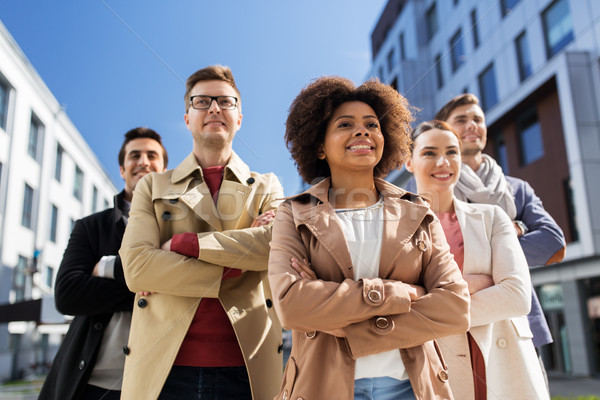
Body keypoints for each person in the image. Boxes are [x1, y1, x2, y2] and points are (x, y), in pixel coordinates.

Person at [268, 77, 470, 400]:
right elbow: (292, 305)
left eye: (372, 124)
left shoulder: (418, 211)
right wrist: (406, 293)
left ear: (384, 137)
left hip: (410, 388)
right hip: (323, 389)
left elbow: (456, 307)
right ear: (319, 146)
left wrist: (337, 317)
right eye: (345, 124)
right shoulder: (292, 214)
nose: (362, 131)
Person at [119, 65, 284, 400]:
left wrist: (185, 244)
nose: (213, 108)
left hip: (247, 367)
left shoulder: (266, 185)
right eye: (202, 101)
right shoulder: (152, 185)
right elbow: (137, 267)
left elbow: (273, 247)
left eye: (225, 102)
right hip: (164, 370)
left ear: (239, 118)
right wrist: (240, 262)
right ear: (186, 118)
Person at [406, 120, 549, 399]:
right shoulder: (396, 228)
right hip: (436, 361)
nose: (443, 162)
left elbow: (516, 296)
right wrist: (468, 284)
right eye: (429, 153)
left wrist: (435, 297)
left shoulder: (491, 217)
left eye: (451, 152)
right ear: (408, 162)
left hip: (501, 358)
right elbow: (398, 303)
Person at [432, 94, 566, 381]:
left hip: (519, 321)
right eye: (461, 120)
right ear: (446, 131)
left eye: (477, 119)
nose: (472, 125)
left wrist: (486, 252)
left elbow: (553, 244)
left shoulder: (517, 189)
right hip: (462, 319)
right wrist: (510, 231)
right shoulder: (436, 190)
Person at [38, 127, 168, 400]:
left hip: (159, 384)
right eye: (135, 155)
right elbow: (67, 294)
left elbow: (189, 284)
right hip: (91, 383)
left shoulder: (178, 228)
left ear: (164, 169)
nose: (143, 161)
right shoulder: (91, 227)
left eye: (151, 155)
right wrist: (151, 283)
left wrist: (108, 269)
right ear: (122, 169)